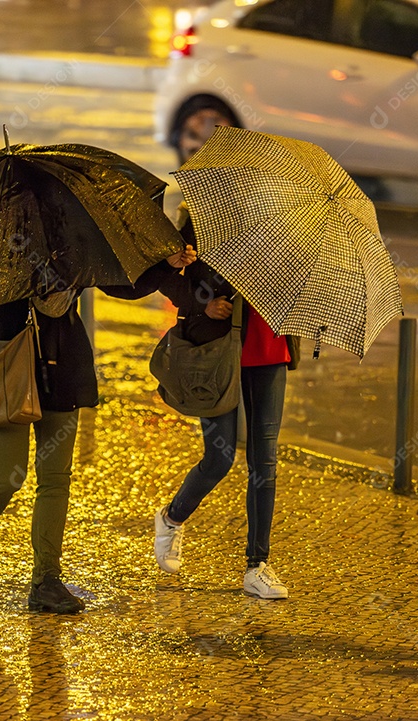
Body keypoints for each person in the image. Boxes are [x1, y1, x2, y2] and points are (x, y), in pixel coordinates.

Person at [0, 247, 196, 614]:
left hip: (62, 361)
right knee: (5, 476)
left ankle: (45, 580)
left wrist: (164, 267)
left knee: (55, 479)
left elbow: (117, 280)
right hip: (8, 357)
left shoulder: (74, 228)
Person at [151, 209, 300, 599]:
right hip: (219, 352)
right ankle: (172, 517)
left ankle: (257, 566)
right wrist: (204, 305)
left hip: (271, 349)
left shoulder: (289, 228)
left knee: (264, 458)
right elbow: (166, 277)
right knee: (220, 458)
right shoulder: (203, 221)